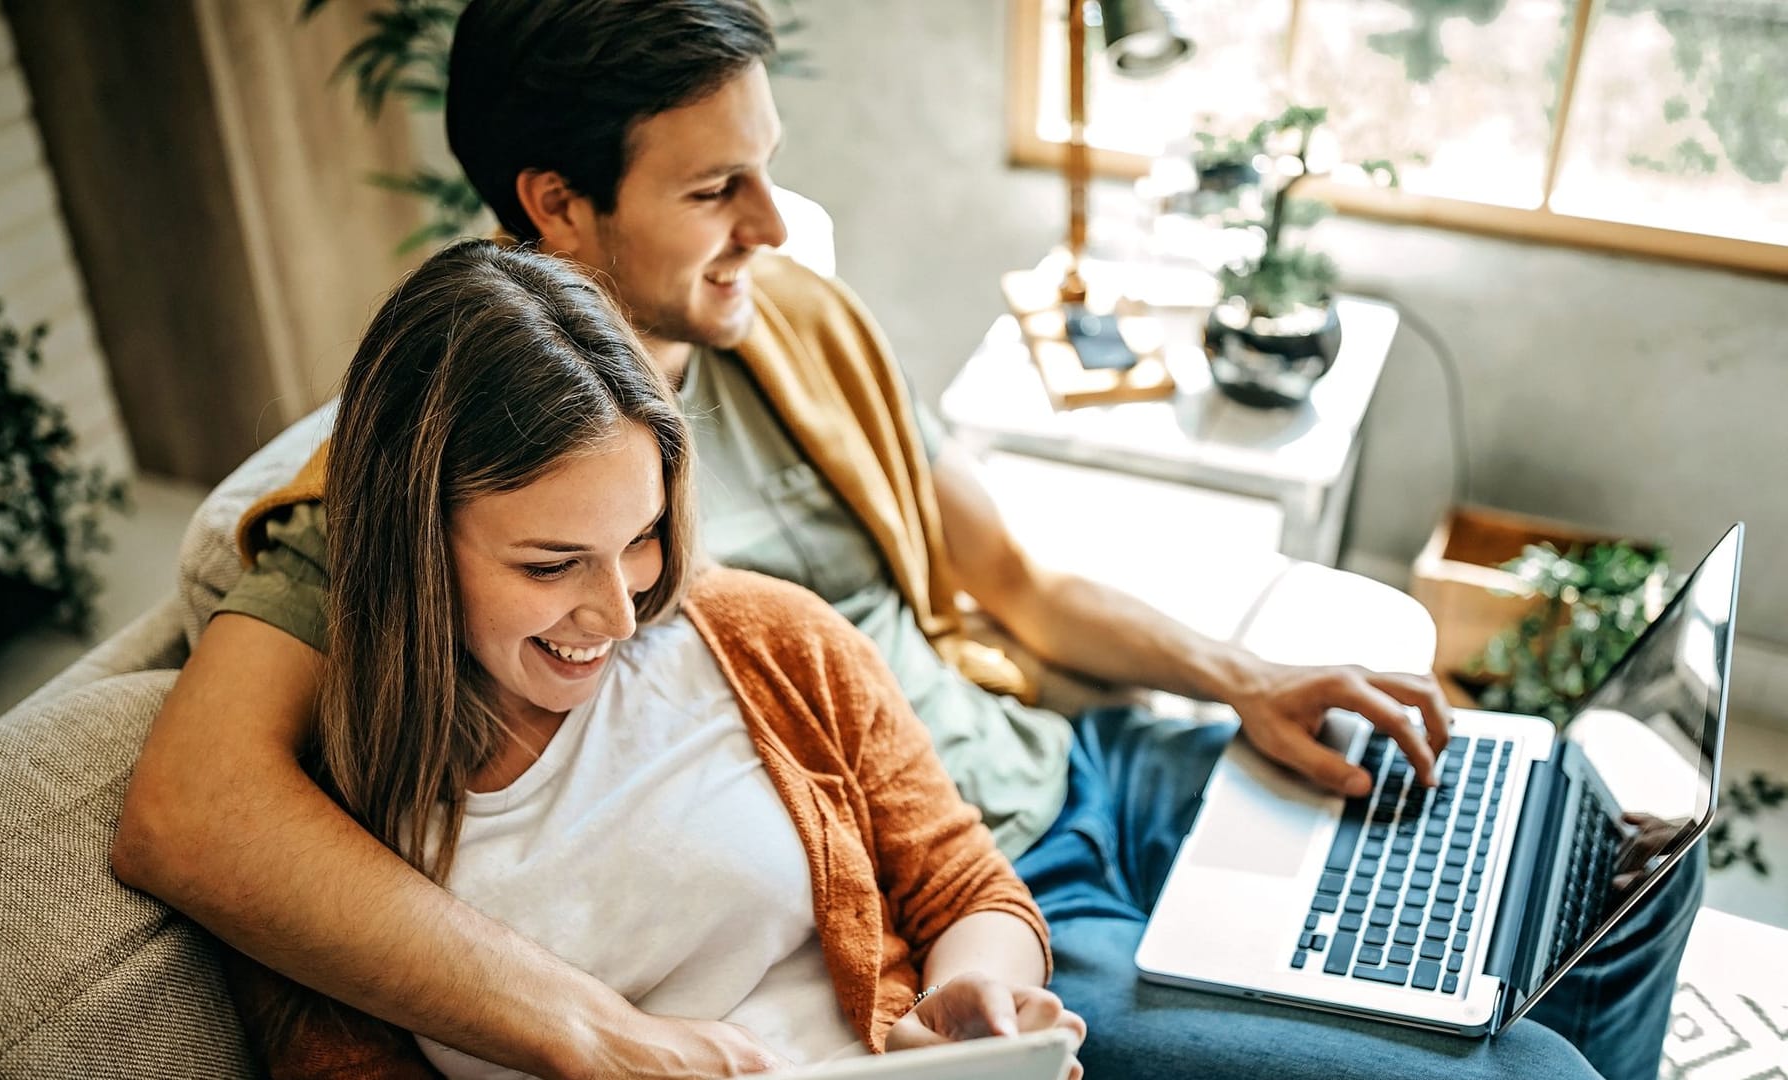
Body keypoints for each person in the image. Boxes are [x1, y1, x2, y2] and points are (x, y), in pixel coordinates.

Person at [113, 2, 1699, 1077]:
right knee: (1520, 1060)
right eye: (718, 186)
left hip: (1076, 761)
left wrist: (1245, 678)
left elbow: (1001, 583)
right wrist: (593, 1035)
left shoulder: (788, 322)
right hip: (1003, 907)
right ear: (557, 203)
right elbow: (191, 814)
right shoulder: (421, 491)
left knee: (1596, 831)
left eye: (770, 169)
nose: (774, 223)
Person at [220, 238, 1084, 1076]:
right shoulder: (321, 849)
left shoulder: (769, 639)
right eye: (551, 564)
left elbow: (967, 887)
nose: (619, 616)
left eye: (641, 539)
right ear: (412, 544)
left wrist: (979, 998)